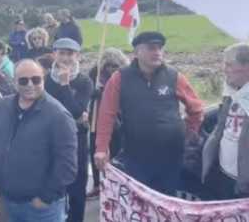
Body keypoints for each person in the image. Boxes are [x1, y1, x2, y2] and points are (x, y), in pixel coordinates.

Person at [95, 32, 205, 196]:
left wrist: (190, 132)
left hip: (171, 154)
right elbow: (106, 114)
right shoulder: (119, 78)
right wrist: (101, 148)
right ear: (137, 52)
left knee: (168, 199)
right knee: (141, 200)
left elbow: (196, 108)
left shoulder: (174, 76)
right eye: (151, 48)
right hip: (137, 155)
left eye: (160, 48)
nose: (157, 52)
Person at [0, 59, 77, 222]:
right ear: (14, 82)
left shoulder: (58, 116)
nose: (30, 84)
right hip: (8, 202)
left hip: (42, 208)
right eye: (23, 80)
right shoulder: (1, 107)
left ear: (43, 79)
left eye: (36, 79)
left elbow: (67, 165)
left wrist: (45, 197)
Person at [44, 38, 93, 222]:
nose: (65, 57)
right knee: (54, 184)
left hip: (76, 140)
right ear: (54, 54)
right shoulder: (45, 80)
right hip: (50, 139)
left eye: (70, 53)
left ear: (77, 56)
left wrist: (65, 85)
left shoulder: (84, 81)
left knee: (76, 188)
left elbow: (76, 110)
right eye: (62, 53)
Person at [202, 43, 249, 200]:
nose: (224, 69)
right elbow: (220, 127)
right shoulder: (231, 92)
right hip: (224, 173)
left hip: (244, 182)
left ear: (246, 67)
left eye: (229, 64)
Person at [86, 48, 129, 200]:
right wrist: (93, 92)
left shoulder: (123, 77)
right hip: (96, 120)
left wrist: (104, 93)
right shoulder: (95, 74)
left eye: (115, 65)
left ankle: (116, 185)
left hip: (117, 121)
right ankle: (98, 185)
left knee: (116, 153)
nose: (112, 68)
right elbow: (87, 91)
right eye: (109, 65)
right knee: (95, 153)